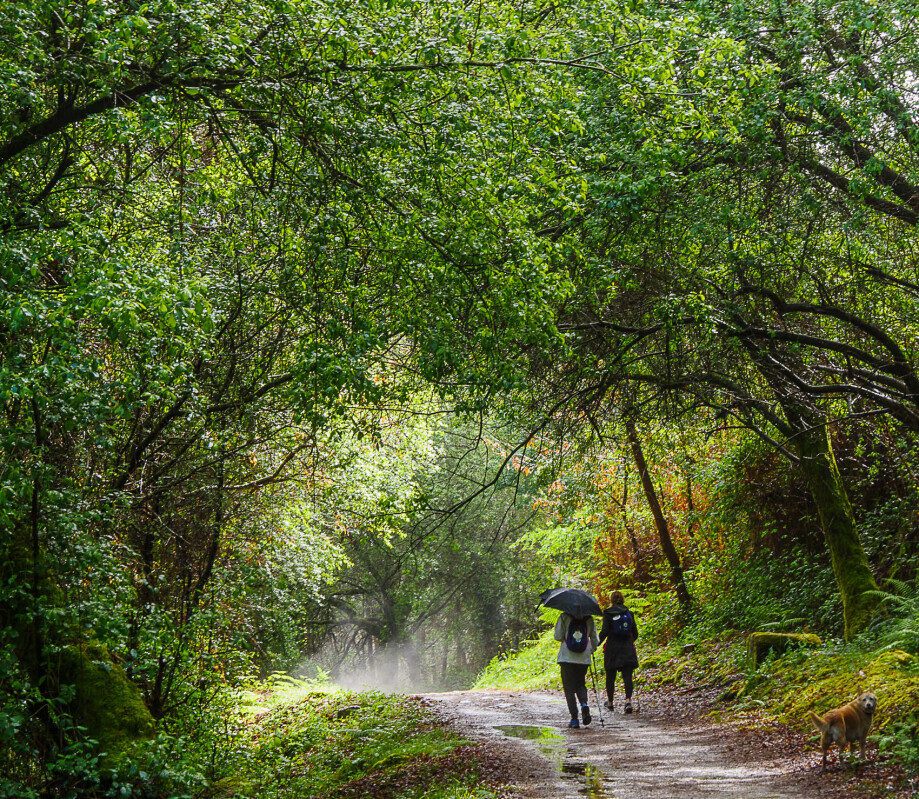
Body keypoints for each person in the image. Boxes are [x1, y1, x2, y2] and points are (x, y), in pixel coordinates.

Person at [554, 611, 600, 729]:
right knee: (580, 683)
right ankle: (584, 703)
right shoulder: (589, 618)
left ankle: (574, 719)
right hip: (583, 659)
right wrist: (591, 649)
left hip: (566, 658)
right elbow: (595, 639)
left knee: (569, 688)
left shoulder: (564, 616)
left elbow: (558, 636)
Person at [597, 590, 639, 713]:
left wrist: (595, 644)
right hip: (627, 647)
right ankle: (628, 701)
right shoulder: (629, 613)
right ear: (623, 599)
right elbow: (635, 633)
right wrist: (629, 641)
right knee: (627, 676)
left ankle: (610, 702)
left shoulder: (608, 614)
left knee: (610, 676)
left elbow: (604, 632)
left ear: (611, 601)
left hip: (612, 648)